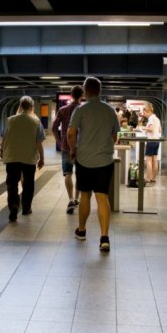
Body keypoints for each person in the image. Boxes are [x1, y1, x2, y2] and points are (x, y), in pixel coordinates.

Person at [67, 77, 120, 253]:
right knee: (102, 197)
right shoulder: (109, 110)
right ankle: (104, 238)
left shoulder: (80, 110)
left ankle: (82, 231)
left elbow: (71, 133)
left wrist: (73, 149)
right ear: (100, 90)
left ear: (85, 91)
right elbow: (115, 135)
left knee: (85, 196)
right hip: (105, 161)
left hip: (84, 160)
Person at [1, 96, 44, 222]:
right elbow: (39, 142)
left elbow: (4, 138)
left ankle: (14, 206)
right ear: (32, 107)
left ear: (20, 106)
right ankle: (26, 208)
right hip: (29, 158)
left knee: (12, 184)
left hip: (12, 157)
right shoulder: (36, 121)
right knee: (28, 184)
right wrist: (42, 158)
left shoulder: (10, 120)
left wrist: (2, 151)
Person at [51, 85, 84, 214]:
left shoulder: (63, 110)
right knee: (80, 174)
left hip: (66, 146)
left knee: (68, 173)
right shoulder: (83, 110)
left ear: (71, 95)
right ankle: (76, 198)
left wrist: (59, 142)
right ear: (82, 96)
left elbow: (54, 127)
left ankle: (70, 199)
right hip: (81, 146)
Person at [140, 104, 162, 183]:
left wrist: (143, 128)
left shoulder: (151, 118)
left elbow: (151, 129)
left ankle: (148, 178)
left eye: (144, 113)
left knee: (148, 161)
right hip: (156, 141)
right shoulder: (157, 119)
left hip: (151, 141)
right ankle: (153, 178)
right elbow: (160, 130)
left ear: (148, 111)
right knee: (155, 160)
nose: (144, 115)